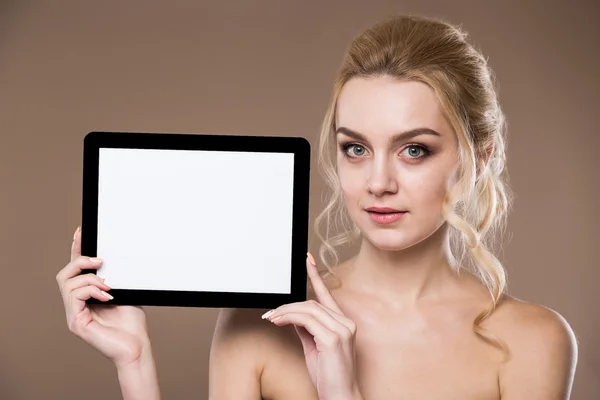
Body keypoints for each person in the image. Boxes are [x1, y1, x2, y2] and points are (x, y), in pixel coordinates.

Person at [56, 14, 578, 400]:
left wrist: (342, 393)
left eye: (414, 149)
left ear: (479, 159)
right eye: (356, 148)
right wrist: (136, 362)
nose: (377, 182)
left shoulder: (532, 342)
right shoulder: (258, 323)